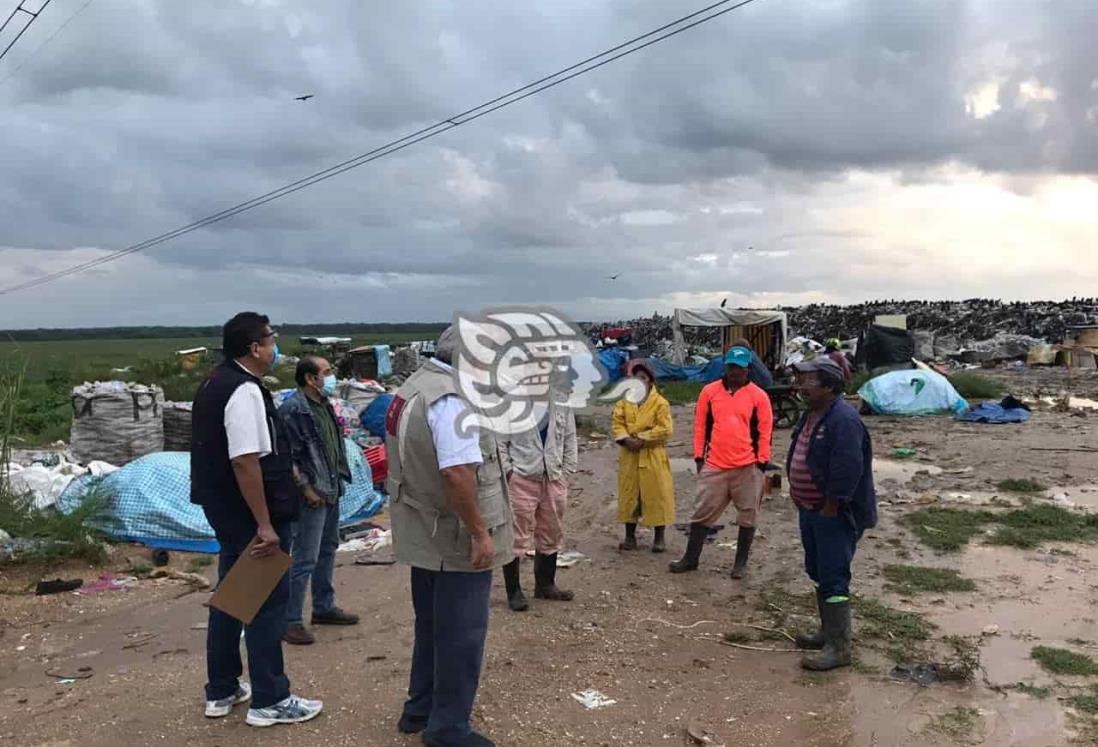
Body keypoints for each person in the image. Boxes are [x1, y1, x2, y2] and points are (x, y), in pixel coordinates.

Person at [190, 312, 322, 727]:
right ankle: (271, 698)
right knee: (266, 604)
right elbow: (246, 462)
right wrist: (265, 524)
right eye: (271, 339)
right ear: (254, 348)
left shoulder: (214, 381)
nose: (275, 345)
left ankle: (223, 687)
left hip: (224, 510)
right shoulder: (244, 392)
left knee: (233, 597)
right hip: (251, 516)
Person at [386, 326, 514, 747]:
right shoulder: (453, 401)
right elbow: (457, 474)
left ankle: (420, 709)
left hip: (424, 532)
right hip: (453, 537)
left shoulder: (416, 385)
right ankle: (447, 728)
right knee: (461, 635)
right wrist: (480, 533)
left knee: (433, 627)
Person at [788, 357, 877, 671]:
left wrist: (832, 505)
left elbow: (848, 467)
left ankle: (839, 649)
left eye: (806, 381)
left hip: (833, 514)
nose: (799, 386)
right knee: (818, 570)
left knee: (834, 576)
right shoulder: (813, 413)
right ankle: (827, 632)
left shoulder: (844, 420)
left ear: (828, 385)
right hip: (811, 510)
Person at [670, 346, 773, 578]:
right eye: (731, 366)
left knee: (748, 515)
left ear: (748, 368)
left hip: (748, 466)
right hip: (715, 464)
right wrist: (699, 457)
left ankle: (740, 565)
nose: (734, 371)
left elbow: (765, 431)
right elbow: (700, 426)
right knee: (701, 513)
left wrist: (761, 462)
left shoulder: (759, 396)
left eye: (739, 367)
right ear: (725, 366)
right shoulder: (709, 392)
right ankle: (690, 558)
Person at [279, 355, 359, 646]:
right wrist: (306, 489)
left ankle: (324, 607)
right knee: (305, 558)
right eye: (326, 372)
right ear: (311, 379)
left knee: (328, 548)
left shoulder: (324, 405)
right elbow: (287, 457)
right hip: (312, 493)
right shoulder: (293, 410)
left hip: (331, 487)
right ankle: (291, 621)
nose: (331, 376)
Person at [498, 394, 578, 612]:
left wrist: (566, 471)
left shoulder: (562, 401)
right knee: (516, 535)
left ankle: (545, 585)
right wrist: (509, 472)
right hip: (522, 478)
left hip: (553, 476)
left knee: (552, 531)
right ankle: (514, 591)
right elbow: (500, 441)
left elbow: (570, 437)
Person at [612, 360, 675, 553]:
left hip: (652, 455)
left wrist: (643, 438)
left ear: (649, 381)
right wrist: (625, 440)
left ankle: (659, 538)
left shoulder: (661, 403)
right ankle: (630, 537)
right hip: (630, 455)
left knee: (657, 495)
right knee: (630, 495)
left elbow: (665, 429)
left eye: (642, 378)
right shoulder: (624, 402)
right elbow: (617, 423)